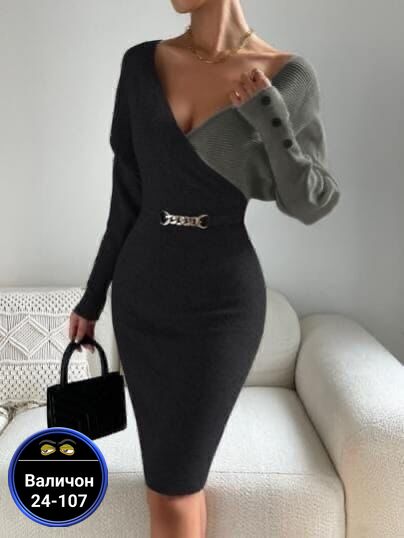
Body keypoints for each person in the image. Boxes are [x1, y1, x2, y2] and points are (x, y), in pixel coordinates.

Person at [70, 1, 340, 536]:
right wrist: (93, 297)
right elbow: (126, 198)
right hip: (142, 299)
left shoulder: (287, 75)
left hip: (222, 306)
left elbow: (311, 202)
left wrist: (271, 116)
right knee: (170, 486)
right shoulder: (140, 65)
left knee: (175, 483)